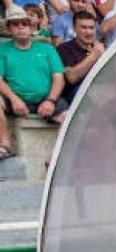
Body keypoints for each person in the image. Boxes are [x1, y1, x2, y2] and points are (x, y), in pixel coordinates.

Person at [0, 6, 68, 161]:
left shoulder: (47, 49)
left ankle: (56, 159)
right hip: (16, 99)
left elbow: (59, 78)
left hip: (46, 98)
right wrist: (13, 98)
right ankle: (4, 145)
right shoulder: (2, 50)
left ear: (31, 27)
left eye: (24, 23)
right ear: (9, 29)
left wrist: (50, 100)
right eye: (15, 24)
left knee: (70, 118)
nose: (21, 27)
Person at [57, 11, 104, 103]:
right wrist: (94, 55)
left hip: (100, 91)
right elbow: (71, 77)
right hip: (77, 97)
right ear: (74, 28)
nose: (88, 32)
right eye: (83, 28)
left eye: (91, 28)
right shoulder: (64, 48)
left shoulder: (101, 48)